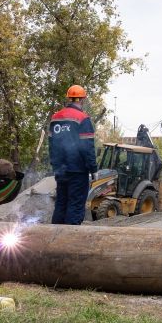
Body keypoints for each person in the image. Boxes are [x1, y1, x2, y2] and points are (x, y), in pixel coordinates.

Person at [49, 84, 98, 225]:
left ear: (69, 99)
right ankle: (69, 238)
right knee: (75, 205)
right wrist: (93, 169)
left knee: (61, 203)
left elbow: (51, 144)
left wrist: (55, 165)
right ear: (82, 100)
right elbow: (87, 147)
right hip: (78, 170)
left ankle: (54, 239)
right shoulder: (83, 118)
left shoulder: (55, 118)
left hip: (61, 170)